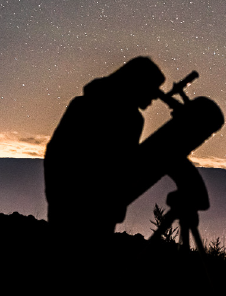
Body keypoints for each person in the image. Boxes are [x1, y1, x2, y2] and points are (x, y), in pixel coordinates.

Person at [44, 56, 166, 234]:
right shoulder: (130, 120)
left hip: (87, 209)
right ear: (138, 84)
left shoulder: (128, 118)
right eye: (152, 88)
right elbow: (57, 154)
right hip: (79, 208)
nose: (155, 97)